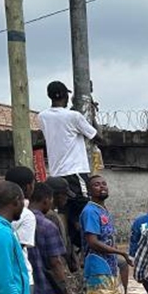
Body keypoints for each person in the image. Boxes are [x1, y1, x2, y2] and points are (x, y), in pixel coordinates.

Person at [37, 80, 103, 244]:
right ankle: (88, 247)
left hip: (56, 174)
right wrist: (91, 116)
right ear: (66, 96)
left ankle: (69, 251)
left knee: (63, 214)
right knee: (84, 213)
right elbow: (98, 138)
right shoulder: (74, 116)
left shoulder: (42, 116)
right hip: (76, 173)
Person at [79, 175, 129, 294]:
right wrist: (121, 253)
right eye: (96, 185)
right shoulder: (90, 212)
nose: (102, 187)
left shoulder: (103, 209)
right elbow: (93, 241)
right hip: (97, 263)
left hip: (109, 264)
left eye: (104, 184)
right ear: (89, 191)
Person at [26, 183, 70, 294]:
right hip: (47, 290)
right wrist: (64, 292)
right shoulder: (47, 225)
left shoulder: (14, 221)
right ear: (46, 200)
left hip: (23, 291)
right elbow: (55, 262)